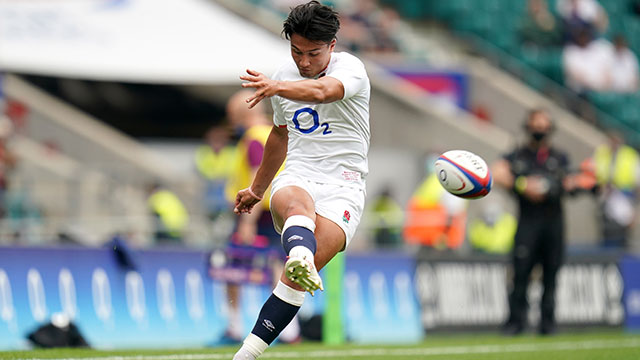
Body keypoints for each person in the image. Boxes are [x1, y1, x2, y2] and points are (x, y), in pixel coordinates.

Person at [232, 2, 370, 359]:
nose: (303, 62)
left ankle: (247, 353)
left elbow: (323, 92)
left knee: (293, 281)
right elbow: (279, 136)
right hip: (299, 173)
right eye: (296, 52)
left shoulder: (351, 68)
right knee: (296, 202)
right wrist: (257, 190)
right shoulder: (283, 74)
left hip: (345, 186)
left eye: (313, 53)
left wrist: (278, 87)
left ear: (333, 46)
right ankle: (300, 252)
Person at [220, 90, 299, 344]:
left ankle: (233, 327)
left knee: (233, 267)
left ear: (241, 115)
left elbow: (257, 173)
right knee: (279, 265)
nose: (232, 122)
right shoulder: (274, 132)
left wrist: (247, 221)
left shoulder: (253, 138)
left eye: (233, 116)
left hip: (253, 211)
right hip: (281, 208)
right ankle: (289, 330)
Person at [492, 109, 575, 335]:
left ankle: (547, 323)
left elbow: (572, 181)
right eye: (535, 125)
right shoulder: (518, 155)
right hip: (528, 222)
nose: (539, 130)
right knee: (520, 273)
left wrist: (552, 186)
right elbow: (497, 173)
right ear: (528, 127)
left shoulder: (559, 157)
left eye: (543, 126)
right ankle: (515, 322)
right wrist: (522, 185)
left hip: (553, 223)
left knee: (551, 274)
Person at [593, 130, 640, 249]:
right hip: (604, 199)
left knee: (622, 237)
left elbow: (637, 183)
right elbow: (593, 175)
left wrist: (635, 210)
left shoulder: (630, 155)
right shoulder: (601, 153)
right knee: (606, 234)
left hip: (624, 199)